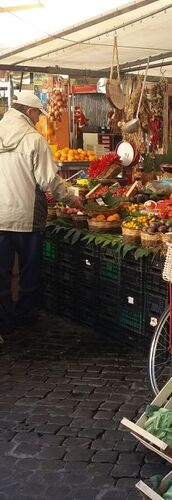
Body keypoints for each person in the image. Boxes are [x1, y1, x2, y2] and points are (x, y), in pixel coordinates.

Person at [0, 92, 83, 334]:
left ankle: (4, 321)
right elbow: (49, 181)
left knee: (2, 273)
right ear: (29, 111)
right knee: (29, 271)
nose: (38, 121)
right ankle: (25, 315)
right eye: (37, 115)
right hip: (27, 218)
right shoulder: (34, 140)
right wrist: (71, 198)